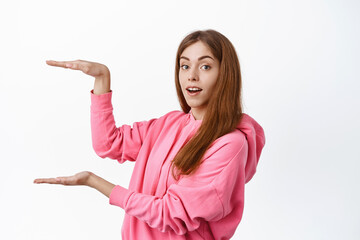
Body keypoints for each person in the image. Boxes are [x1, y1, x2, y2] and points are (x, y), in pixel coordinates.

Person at [34, 29, 266, 240]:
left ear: (225, 75)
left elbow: (169, 213)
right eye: (184, 66)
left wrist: (93, 182)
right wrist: (102, 79)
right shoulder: (170, 123)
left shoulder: (230, 145)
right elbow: (109, 144)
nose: (191, 76)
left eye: (205, 66)